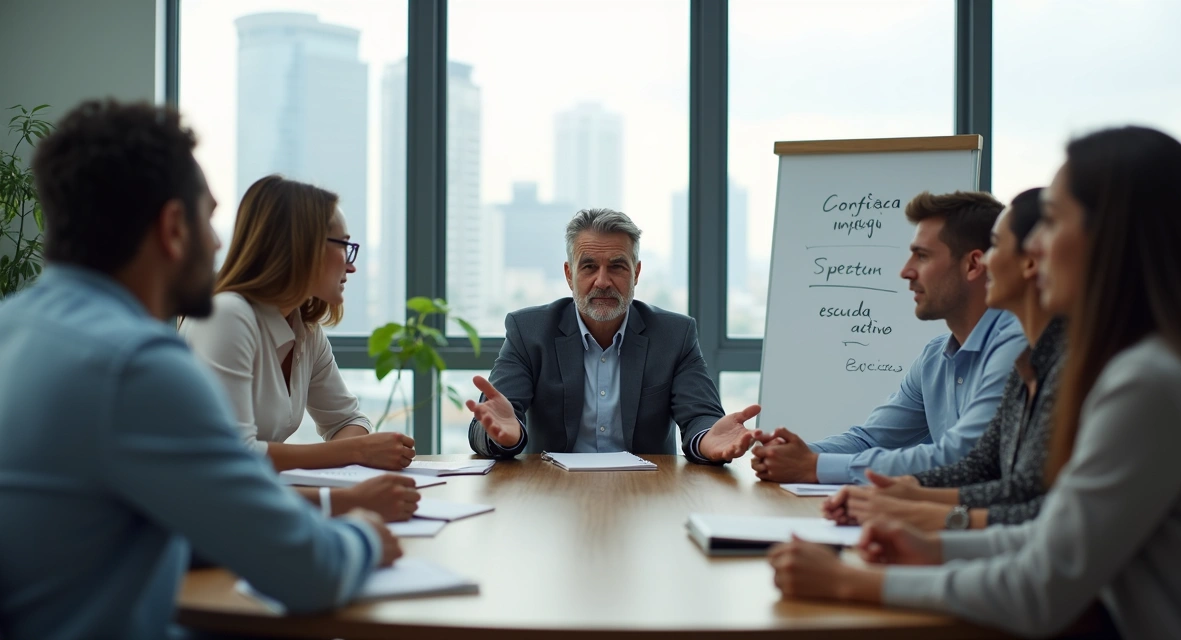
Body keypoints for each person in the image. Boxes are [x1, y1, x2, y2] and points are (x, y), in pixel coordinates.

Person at [768, 126, 1181, 639]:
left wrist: (850, 582)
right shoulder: (1142, 364)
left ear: (1113, 236)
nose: (1035, 248)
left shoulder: (1146, 382)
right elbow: (1050, 535)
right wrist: (933, 545)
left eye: (1053, 221)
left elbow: (1041, 586)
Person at [0, 100, 399, 640]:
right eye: (208, 219)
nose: (216, 243)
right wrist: (364, 532)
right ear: (173, 228)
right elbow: (311, 573)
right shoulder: (138, 366)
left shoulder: (15, 325)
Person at [822, 188, 1065, 531]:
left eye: (997, 246)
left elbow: (1036, 509)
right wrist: (902, 493)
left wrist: (917, 513)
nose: (987, 263)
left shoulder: (1031, 351)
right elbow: (987, 471)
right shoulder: (1025, 358)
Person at [181, 175, 420, 522]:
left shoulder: (304, 329)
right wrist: (356, 454)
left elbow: (348, 420)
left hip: (250, 512)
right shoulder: (227, 315)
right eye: (344, 246)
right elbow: (233, 457)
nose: (351, 265)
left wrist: (354, 451)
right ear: (302, 247)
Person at [752, 191, 1027, 484]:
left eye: (922, 256)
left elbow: (961, 457)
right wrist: (791, 455)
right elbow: (872, 440)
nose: (905, 271)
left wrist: (813, 466)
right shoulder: (935, 357)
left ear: (972, 265)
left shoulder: (1016, 346)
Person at [467, 208, 760, 463]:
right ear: (569, 275)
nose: (603, 281)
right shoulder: (528, 331)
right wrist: (505, 437)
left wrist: (708, 439)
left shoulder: (674, 335)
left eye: (617, 267)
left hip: (648, 490)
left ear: (636, 273)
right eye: (589, 267)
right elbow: (493, 421)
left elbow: (701, 417)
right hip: (553, 492)